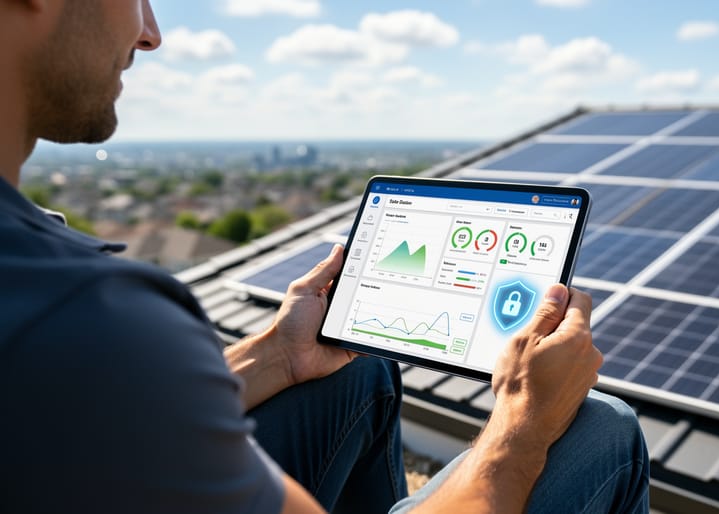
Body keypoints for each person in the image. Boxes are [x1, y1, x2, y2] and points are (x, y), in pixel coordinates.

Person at [0, 1, 649, 513]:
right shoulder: (77, 317)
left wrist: (280, 356)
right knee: (603, 428)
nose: (151, 34)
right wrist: (522, 428)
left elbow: (111, 419)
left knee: (352, 371)